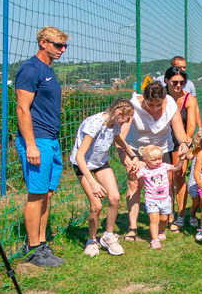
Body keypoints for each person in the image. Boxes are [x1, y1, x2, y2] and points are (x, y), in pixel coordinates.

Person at [14, 27, 68, 267]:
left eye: (64, 46)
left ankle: (42, 244)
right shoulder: (30, 69)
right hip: (36, 140)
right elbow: (22, 109)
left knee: (46, 193)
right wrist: (30, 145)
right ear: (43, 43)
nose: (62, 50)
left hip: (51, 139)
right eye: (57, 45)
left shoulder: (48, 69)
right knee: (36, 196)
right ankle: (32, 248)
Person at [119, 82, 190, 243]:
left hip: (161, 149)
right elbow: (121, 135)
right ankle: (132, 226)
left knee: (166, 182)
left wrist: (184, 143)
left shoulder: (170, 104)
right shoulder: (133, 106)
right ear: (144, 99)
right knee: (134, 185)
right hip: (137, 149)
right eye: (151, 104)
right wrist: (123, 154)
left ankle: (168, 218)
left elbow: (179, 131)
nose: (155, 108)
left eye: (159, 104)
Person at [71, 99, 135, 257]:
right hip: (83, 164)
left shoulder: (114, 125)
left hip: (99, 163)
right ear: (118, 114)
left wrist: (134, 156)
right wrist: (92, 183)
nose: (128, 121)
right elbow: (79, 157)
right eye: (127, 118)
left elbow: (119, 139)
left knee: (114, 197)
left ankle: (108, 236)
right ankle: (91, 240)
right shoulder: (96, 123)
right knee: (96, 205)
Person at [163, 65, 201, 230]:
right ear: (166, 81)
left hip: (181, 142)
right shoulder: (162, 96)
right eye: (175, 82)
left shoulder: (189, 99)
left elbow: (191, 124)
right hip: (163, 143)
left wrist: (185, 142)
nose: (178, 85)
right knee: (166, 179)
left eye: (182, 82)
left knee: (179, 177)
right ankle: (168, 213)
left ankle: (180, 214)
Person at [134, 145, 181, 250]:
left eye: (159, 158)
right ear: (145, 160)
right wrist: (132, 172)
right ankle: (154, 239)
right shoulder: (144, 171)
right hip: (151, 199)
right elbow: (133, 178)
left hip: (165, 198)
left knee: (164, 218)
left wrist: (181, 159)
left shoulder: (164, 166)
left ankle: (161, 230)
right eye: (154, 160)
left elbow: (176, 167)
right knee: (154, 219)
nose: (157, 162)